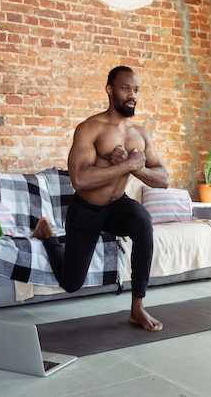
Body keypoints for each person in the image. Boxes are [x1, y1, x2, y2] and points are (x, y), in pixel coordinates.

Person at [31, 66, 170, 332]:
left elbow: (164, 179)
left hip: (117, 205)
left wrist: (136, 167)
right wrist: (126, 165)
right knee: (71, 283)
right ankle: (46, 232)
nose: (132, 95)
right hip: (87, 209)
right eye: (125, 88)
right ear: (109, 90)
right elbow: (80, 179)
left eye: (136, 90)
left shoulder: (140, 134)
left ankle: (137, 307)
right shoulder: (89, 128)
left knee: (143, 221)